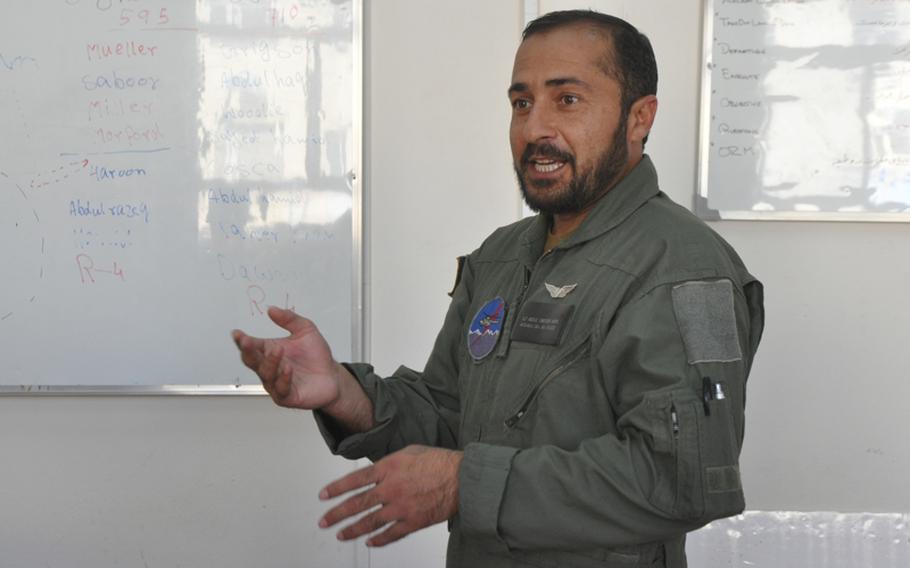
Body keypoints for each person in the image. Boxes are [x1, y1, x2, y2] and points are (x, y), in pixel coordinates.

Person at [232, 10, 764, 568]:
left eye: (568, 100)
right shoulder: (501, 257)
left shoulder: (684, 267)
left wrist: (465, 483)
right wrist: (345, 394)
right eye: (521, 103)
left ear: (640, 117)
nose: (535, 129)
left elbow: (683, 478)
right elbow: (447, 415)